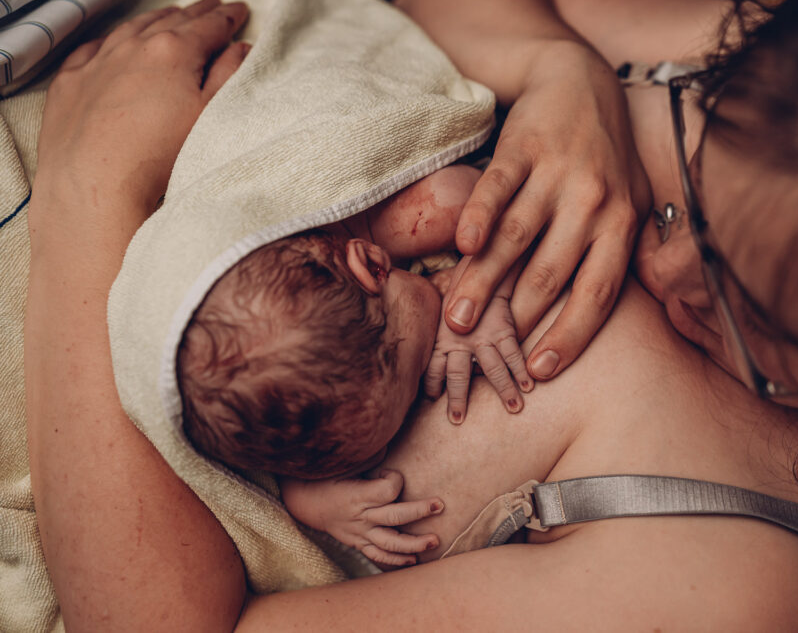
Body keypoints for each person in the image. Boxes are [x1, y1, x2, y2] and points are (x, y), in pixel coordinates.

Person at [23, 0, 798, 632]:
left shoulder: (724, 572)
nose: (662, 259)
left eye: (753, 318)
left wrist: (93, 187)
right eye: (687, 187)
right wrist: (564, 77)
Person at [178, 162, 532, 565]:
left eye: (417, 370)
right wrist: (315, 503)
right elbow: (293, 465)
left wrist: (478, 290)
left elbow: (517, 202)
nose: (430, 374)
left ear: (375, 266)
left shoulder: (427, 210)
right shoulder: (292, 398)